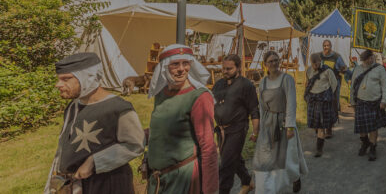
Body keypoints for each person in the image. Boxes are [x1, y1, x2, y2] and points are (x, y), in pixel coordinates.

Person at [44, 53, 144, 194]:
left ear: (88, 77)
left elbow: (134, 144)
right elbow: (63, 147)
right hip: (76, 186)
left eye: (66, 79)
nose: (58, 84)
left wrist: (94, 162)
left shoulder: (118, 108)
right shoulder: (73, 106)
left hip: (108, 185)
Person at [145, 44, 218, 194]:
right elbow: (161, 129)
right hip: (159, 180)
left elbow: (208, 148)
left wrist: (210, 190)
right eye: (175, 64)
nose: (181, 69)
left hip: (183, 180)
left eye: (186, 63)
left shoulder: (199, 97)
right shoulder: (161, 94)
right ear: (165, 67)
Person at [252, 51, 308, 194]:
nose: (274, 63)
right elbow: (261, 105)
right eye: (270, 61)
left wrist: (290, 126)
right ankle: (270, 186)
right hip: (268, 122)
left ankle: (295, 178)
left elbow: (291, 103)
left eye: (276, 60)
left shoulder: (286, 79)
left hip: (283, 122)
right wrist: (260, 127)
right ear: (265, 64)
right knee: (266, 156)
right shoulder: (263, 81)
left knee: (288, 157)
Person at [212, 55, 258, 194]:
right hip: (220, 130)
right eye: (223, 68)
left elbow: (254, 110)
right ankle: (247, 181)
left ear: (238, 67)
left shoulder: (246, 85)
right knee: (233, 158)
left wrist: (255, 131)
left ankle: (223, 191)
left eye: (229, 68)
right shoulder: (219, 84)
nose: (225, 71)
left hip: (238, 128)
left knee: (226, 164)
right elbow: (211, 104)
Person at [350, 50, 386, 161]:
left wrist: (384, 100)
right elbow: (353, 86)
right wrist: (352, 102)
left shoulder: (380, 68)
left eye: (372, 57)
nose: (371, 59)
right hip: (360, 102)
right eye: (368, 58)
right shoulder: (357, 69)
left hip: (374, 102)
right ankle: (365, 143)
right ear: (363, 59)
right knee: (361, 128)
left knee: (373, 127)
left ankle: (373, 148)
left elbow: (385, 86)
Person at [304, 53, 338, 157]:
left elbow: (334, 84)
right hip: (313, 100)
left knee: (321, 126)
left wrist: (327, 94)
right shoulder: (309, 70)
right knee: (315, 124)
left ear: (320, 61)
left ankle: (319, 149)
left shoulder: (327, 70)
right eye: (313, 64)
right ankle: (319, 136)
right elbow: (308, 82)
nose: (315, 66)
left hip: (323, 100)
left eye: (317, 64)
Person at [314, 40, 347, 138]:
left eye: (327, 45)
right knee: (319, 106)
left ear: (331, 46)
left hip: (333, 85)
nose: (326, 47)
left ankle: (329, 129)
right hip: (321, 85)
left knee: (332, 107)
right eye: (324, 45)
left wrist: (344, 69)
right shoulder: (318, 56)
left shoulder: (337, 57)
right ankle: (320, 129)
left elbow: (343, 68)